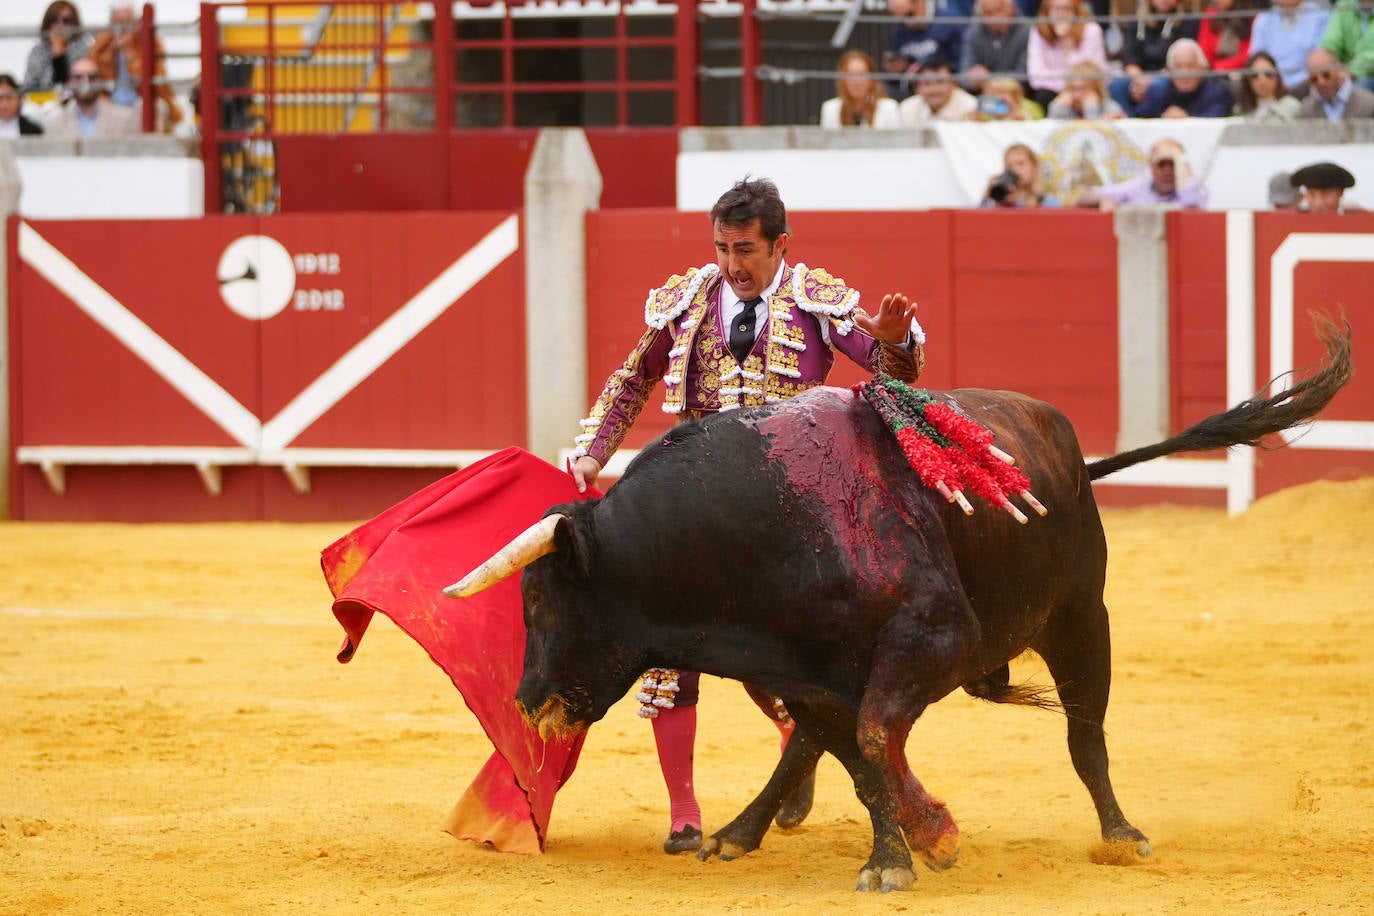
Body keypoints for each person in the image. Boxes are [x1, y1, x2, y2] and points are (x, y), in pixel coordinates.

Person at [570, 177, 926, 854]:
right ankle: (683, 811)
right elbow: (632, 380)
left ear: (780, 245)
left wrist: (895, 344)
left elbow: (893, 373)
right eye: (723, 247)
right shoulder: (689, 302)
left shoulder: (817, 301)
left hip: (787, 508)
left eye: (746, 249)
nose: (733, 263)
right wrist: (592, 453)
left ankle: (798, 732)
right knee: (669, 646)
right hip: (698, 500)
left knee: (771, 645)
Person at [90, 1, 183, 132]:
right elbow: (94, 81)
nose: (122, 27)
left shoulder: (151, 42)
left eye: (127, 21)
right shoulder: (101, 45)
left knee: (154, 108)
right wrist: (112, 52)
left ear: (135, 21)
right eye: (118, 22)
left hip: (141, 100)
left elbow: (158, 86)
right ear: (111, 22)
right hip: (111, 102)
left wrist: (131, 55)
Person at [1111, 0, 1202, 116]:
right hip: (1139, 75)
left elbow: (1180, 60)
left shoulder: (1187, 20)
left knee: (1157, 87)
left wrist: (1149, 81)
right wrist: (1139, 80)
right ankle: (1126, 119)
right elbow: (1130, 57)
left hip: (1168, 74)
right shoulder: (1137, 20)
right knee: (1117, 85)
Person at [1072, 137, 1209, 209]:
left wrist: (1180, 159)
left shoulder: (1195, 189)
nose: (1167, 171)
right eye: (1161, 165)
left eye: (1173, 164)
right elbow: (1080, 196)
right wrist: (1103, 199)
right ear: (1151, 165)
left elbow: (1192, 203)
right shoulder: (1138, 187)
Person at [1027, 0, 1111, 110]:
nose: (1062, 14)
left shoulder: (1091, 30)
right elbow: (1036, 77)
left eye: (1067, 9)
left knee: (1090, 98)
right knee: (1044, 96)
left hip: (1088, 89)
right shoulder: (1038, 32)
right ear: (1047, 12)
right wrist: (1067, 90)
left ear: (1076, 11)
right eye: (1057, 9)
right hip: (1055, 91)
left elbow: (1090, 71)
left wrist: (1068, 43)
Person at [1134, 36, 1237, 115]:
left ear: (1203, 68)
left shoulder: (1218, 93)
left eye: (1190, 66)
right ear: (1169, 70)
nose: (1185, 73)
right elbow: (1139, 117)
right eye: (1178, 67)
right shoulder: (1158, 91)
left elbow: (1215, 123)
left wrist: (1186, 119)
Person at [43, 56, 140, 138]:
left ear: (100, 81)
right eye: (78, 77)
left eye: (92, 77)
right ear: (69, 82)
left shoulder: (126, 118)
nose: (85, 82)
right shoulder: (54, 124)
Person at [885, 0, 966, 98]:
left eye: (909, 15)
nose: (906, 23)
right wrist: (897, 69)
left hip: (945, 89)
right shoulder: (898, 31)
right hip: (912, 92)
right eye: (900, 19)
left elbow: (961, 64)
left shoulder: (950, 21)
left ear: (920, 2)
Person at [1250, 0, 1331, 94]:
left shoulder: (1321, 16)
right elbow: (1256, 60)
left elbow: (1319, 61)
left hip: (1308, 86)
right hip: (1271, 86)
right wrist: (1276, 82)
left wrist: (1289, 83)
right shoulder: (1263, 20)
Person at [960, 0, 1033, 96]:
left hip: (1018, 95)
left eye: (998, 10)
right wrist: (972, 78)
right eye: (988, 13)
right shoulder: (973, 32)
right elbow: (964, 74)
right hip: (981, 95)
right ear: (980, 15)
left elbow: (1024, 75)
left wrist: (990, 79)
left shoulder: (1029, 31)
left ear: (1012, 8)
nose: (995, 17)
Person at [22, 1, 94, 96]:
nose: (60, 25)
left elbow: (71, 87)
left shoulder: (86, 48)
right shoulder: (37, 51)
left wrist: (59, 55)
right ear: (47, 24)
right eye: (54, 20)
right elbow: (30, 86)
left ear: (75, 24)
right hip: (43, 104)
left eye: (66, 20)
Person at [819, 49, 900, 128]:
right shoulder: (830, 109)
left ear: (871, 79)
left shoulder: (889, 108)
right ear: (842, 80)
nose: (856, 81)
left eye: (861, 74)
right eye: (850, 75)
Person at [898, 54, 980, 124]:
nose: (934, 90)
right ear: (918, 87)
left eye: (940, 82)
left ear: (954, 83)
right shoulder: (907, 109)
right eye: (927, 83)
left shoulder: (971, 107)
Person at [1298, 46, 1374, 118]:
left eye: (1326, 75)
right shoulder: (1307, 109)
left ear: (1339, 69)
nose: (1321, 82)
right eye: (1314, 79)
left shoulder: (1369, 103)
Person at [982, 143, 1061, 206]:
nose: (1015, 170)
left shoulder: (1048, 201)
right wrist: (989, 197)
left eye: (1021, 164)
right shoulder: (1001, 201)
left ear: (1033, 166)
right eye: (1010, 166)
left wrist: (1016, 204)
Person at [1320, 0, 1374, 92]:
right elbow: (1329, 44)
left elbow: (1370, 55)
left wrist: (1349, 72)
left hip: (1367, 74)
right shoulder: (1344, 3)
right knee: (1317, 84)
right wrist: (1334, 67)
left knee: (1356, 88)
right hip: (1343, 71)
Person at [1233, 49, 1302, 118]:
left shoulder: (1292, 106)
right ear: (1248, 80)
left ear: (1277, 76)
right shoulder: (1239, 110)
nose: (1263, 80)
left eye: (1268, 74)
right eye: (1255, 75)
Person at [1048, 59, 1127, 117]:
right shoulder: (1067, 109)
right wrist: (1057, 108)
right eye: (1073, 89)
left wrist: (1091, 108)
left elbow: (1095, 133)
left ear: (1096, 89)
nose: (1077, 95)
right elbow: (1052, 133)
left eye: (1082, 89)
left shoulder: (1110, 107)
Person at [1198, 0, 1260, 71]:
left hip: (1241, 72)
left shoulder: (1252, 18)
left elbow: (1248, 55)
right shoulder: (1211, 14)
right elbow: (1204, 51)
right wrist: (1214, 69)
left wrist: (1220, 67)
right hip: (1213, 73)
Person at [1289, 160, 1360, 211]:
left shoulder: (1359, 222)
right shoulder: (1290, 221)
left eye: (1326, 194)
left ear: (1341, 192)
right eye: (1312, 194)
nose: (1318, 203)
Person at [976, 76, 1047, 118]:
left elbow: (1037, 125)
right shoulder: (985, 111)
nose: (998, 99)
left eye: (1002, 93)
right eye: (993, 95)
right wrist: (977, 112)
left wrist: (1014, 110)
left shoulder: (1031, 107)